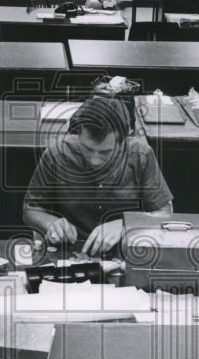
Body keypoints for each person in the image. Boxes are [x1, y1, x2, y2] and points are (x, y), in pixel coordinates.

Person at [23, 96, 173, 255]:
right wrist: (51, 222)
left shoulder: (141, 155)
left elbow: (165, 215)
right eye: (87, 148)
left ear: (124, 140)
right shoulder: (58, 153)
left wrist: (124, 225)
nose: (95, 160)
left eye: (105, 152)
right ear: (79, 132)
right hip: (71, 250)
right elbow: (31, 210)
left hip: (125, 250)